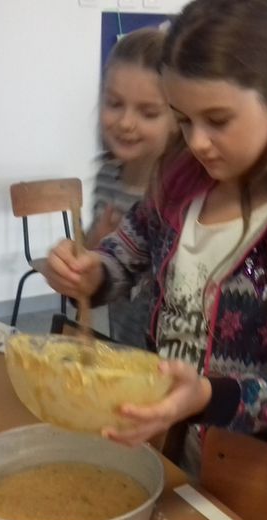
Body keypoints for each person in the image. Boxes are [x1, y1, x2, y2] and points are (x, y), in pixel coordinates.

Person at [44, 0, 267, 466]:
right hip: (163, 445)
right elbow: (126, 252)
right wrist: (91, 273)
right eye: (184, 119)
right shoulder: (178, 184)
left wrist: (209, 396)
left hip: (241, 472)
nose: (195, 142)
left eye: (217, 120)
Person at [85, 27, 176, 349]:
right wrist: (88, 253)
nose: (125, 122)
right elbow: (99, 270)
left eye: (147, 112)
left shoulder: (178, 192)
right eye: (114, 103)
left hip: (170, 356)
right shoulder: (107, 175)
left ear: (179, 117)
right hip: (122, 341)